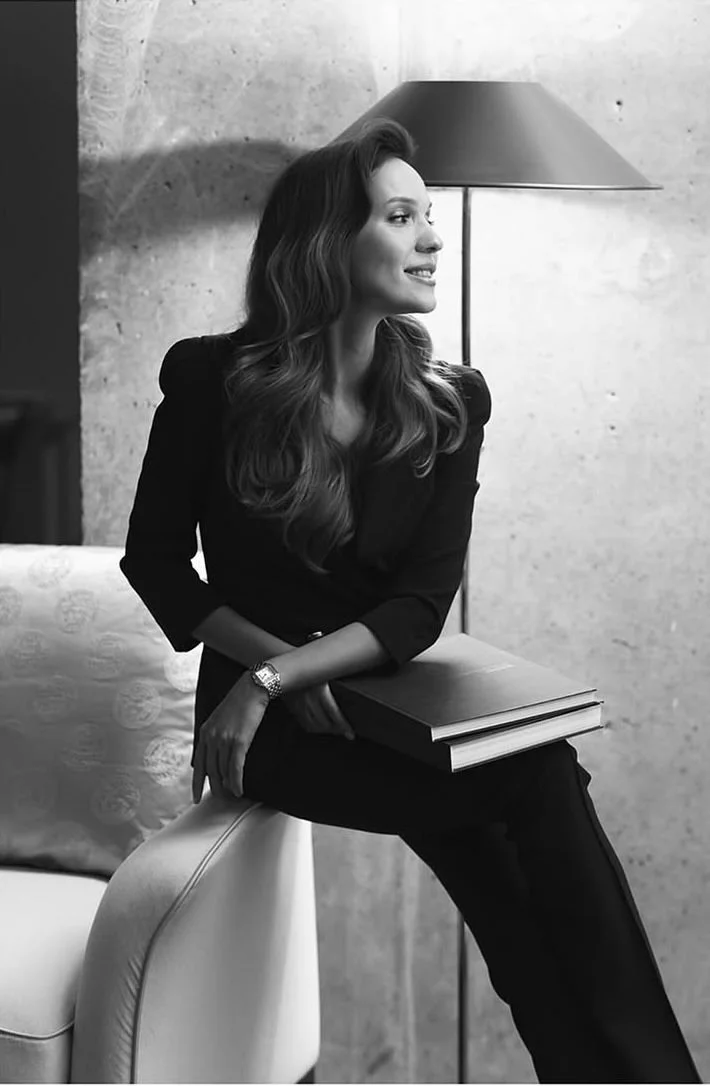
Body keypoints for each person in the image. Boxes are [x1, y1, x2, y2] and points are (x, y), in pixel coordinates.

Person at [119, 119, 701, 1084]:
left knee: (511, 892)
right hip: (270, 737)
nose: (432, 238)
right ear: (326, 244)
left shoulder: (449, 400)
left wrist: (280, 673)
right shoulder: (213, 379)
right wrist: (264, 678)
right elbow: (156, 564)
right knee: (538, 781)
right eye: (401, 217)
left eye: (430, 217)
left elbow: (418, 609)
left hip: (386, 710)